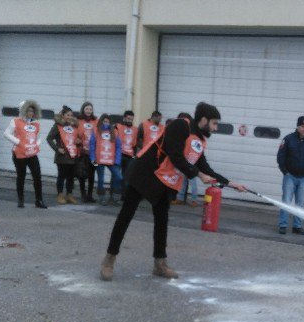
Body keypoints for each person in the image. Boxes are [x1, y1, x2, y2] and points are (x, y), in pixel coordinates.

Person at [100, 102, 247, 281]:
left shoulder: (199, 141)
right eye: (214, 123)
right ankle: (109, 259)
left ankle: (160, 264)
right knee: (126, 215)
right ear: (204, 119)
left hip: (165, 182)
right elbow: (175, 154)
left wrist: (231, 183)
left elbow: (205, 167)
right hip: (145, 173)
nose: (215, 128)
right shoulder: (180, 126)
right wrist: (198, 174)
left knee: (162, 220)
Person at [276, 115, 304, 235]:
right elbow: (280, 157)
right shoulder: (288, 139)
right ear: (298, 126)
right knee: (286, 201)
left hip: (303, 178)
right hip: (290, 176)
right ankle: (283, 225)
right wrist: (285, 172)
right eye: (302, 126)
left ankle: (297, 226)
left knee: (300, 203)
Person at [3, 100, 47, 208]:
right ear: (23, 110)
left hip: (32, 154)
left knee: (37, 176)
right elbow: (6, 134)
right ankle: (20, 199)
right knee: (21, 176)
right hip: (19, 154)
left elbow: (39, 136)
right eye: (28, 110)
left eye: (32, 111)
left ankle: (39, 200)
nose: (30, 113)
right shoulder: (15, 121)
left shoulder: (36, 123)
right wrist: (18, 142)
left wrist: (37, 144)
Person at [46, 106, 81, 204]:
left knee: (71, 177)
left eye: (71, 115)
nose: (70, 117)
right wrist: (57, 149)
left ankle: (69, 195)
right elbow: (49, 138)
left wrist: (79, 142)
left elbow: (77, 139)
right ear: (63, 115)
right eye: (67, 115)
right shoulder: (58, 126)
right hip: (62, 156)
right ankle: (60, 195)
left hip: (72, 156)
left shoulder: (74, 126)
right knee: (62, 176)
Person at [89, 113, 123, 206]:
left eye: (108, 122)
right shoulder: (96, 130)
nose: (106, 123)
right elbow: (92, 145)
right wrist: (92, 158)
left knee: (119, 177)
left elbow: (119, 147)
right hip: (99, 160)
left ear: (110, 122)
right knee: (101, 179)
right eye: (104, 121)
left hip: (111, 160)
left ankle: (114, 198)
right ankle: (101, 198)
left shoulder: (115, 132)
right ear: (101, 121)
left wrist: (117, 160)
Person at [171, 112, 198, 207]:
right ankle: (180, 199)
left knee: (192, 182)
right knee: (182, 182)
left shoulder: (194, 136)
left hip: (191, 162)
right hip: (184, 162)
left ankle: (194, 200)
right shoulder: (184, 135)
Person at [77, 101, 98, 202]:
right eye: (87, 109)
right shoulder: (78, 121)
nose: (89, 111)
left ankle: (90, 195)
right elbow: (74, 134)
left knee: (92, 174)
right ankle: (83, 194)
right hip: (82, 152)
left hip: (93, 153)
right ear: (83, 110)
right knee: (82, 174)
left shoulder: (96, 121)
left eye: (90, 109)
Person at [115, 110, 138, 199]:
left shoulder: (135, 129)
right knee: (116, 175)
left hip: (129, 156)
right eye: (128, 119)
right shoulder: (118, 126)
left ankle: (124, 196)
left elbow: (135, 144)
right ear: (124, 118)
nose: (130, 121)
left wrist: (134, 155)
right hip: (119, 155)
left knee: (127, 177)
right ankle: (114, 194)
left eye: (131, 119)